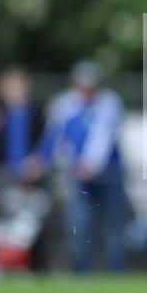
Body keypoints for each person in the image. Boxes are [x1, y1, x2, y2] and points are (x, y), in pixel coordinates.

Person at [29, 61, 128, 272]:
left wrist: (90, 164)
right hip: (81, 178)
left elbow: (103, 137)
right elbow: (54, 136)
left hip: (108, 176)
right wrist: (41, 159)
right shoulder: (66, 105)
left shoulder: (109, 103)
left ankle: (117, 273)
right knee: (80, 227)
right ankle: (82, 273)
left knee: (113, 230)